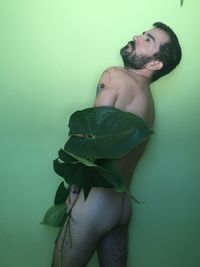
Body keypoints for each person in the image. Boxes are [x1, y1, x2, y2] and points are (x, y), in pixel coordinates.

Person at [52, 22, 182, 267]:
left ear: (155, 64)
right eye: (143, 34)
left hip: (95, 203)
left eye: (148, 40)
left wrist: (73, 192)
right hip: (121, 206)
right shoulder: (148, 102)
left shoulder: (115, 75)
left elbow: (89, 137)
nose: (137, 36)